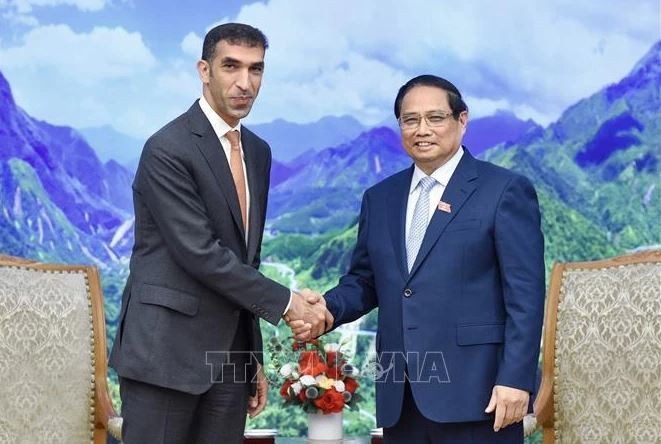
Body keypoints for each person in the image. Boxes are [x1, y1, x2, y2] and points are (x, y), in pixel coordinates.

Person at [290, 75, 545, 443]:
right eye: (410, 120)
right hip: (401, 397)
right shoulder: (380, 198)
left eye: (435, 118)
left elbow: (526, 295)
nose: (422, 129)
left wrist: (516, 380)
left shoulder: (503, 190)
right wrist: (325, 308)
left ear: (462, 120)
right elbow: (365, 281)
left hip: (482, 396)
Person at [109, 23, 329, 443]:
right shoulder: (167, 148)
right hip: (164, 357)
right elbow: (200, 253)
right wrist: (288, 304)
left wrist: (253, 358)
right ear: (204, 70)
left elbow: (247, 260)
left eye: (256, 69)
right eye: (231, 66)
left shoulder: (259, 152)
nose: (245, 83)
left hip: (229, 361)